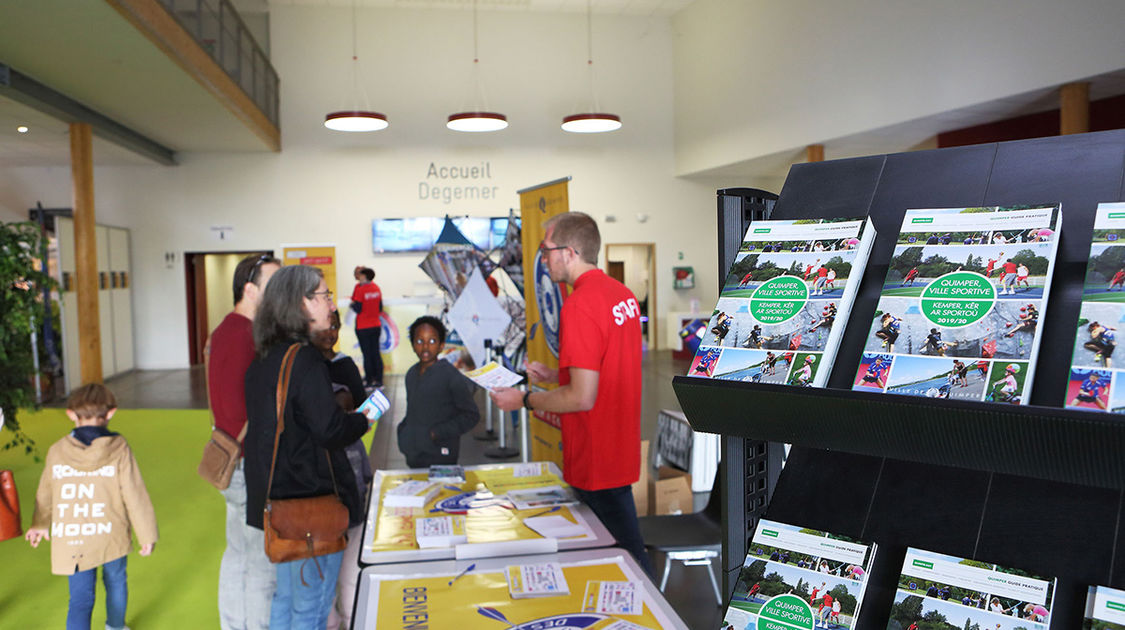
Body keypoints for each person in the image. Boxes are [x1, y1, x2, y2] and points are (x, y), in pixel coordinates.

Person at [490, 211, 654, 577]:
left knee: (626, 563)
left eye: (546, 250)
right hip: (618, 447)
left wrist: (524, 401)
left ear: (570, 251)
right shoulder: (621, 295)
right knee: (623, 553)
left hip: (594, 454)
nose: (543, 260)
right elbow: (606, 367)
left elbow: (582, 398)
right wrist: (556, 374)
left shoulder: (580, 304)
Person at [243, 265, 370, 629]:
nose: (331, 304)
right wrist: (364, 419)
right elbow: (330, 430)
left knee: (286, 599)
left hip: (279, 500)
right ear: (301, 303)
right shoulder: (305, 358)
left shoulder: (266, 355)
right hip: (311, 501)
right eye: (324, 295)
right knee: (311, 609)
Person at [26, 383, 158, 630]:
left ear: (70, 414)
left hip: (73, 538)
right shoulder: (119, 449)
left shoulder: (57, 451)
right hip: (110, 532)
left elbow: (46, 491)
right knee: (116, 582)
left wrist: (40, 524)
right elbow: (134, 493)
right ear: (110, 413)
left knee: (80, 599)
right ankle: (115, 626)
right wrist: (147, 534)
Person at [207, 253, 280, 630]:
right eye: (274, 284)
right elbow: (250, 408)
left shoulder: (224, 330)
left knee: (237, 554)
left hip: (229, 457)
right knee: (259, 561)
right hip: (249, 462)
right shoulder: (246, 337)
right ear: (249, 290)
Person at [312, 310, 370, 630]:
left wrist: (352, 410)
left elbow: (362, 412)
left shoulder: (345, 364)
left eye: (335, 325)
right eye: (324, 325)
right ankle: (329, 618)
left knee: (352, 531)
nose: (330, 331)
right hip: (318, 469)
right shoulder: (305, 367)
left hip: (350, 459)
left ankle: (349, 614)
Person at [397, 316, 481, 468]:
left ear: (442, 345)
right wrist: (404, 431)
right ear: (413, 345)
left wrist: (436, 433)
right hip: (415, 453)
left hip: (441, 454)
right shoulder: (411, 374)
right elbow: (412, 410)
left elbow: (471, 415)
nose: (425, 347)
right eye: (420, 341)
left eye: (432, 341)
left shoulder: (451, 376)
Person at [350, 266, 384, 388]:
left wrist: (352, 305)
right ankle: (379, 381)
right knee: (375, 353)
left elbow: (358, 308)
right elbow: (380, 308)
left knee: (367, 354)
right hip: (376, 325)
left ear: (364, 276)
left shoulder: (361, 290)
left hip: (363, 326)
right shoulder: (376, 288)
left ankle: (369, 381)